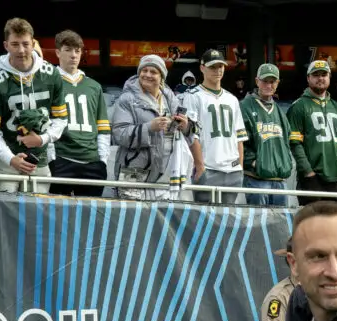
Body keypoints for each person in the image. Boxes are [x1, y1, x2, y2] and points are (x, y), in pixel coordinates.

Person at [0, 17, 67, 194]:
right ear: (6, 46)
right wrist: (11, 158)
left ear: (34, 43)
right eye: (15, 44)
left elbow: (61, 119)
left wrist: (42, 139)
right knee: (2, 214)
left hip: (38, 157)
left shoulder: (51, 76)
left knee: (37, 216)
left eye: (26, 44)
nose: (21, 50)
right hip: (3, 160)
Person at [111, 54, 191, 201]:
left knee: (161, 223)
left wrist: (185, 125)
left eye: (153, 72)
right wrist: (149, 127)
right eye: (144, 70)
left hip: (164, 176)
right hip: (133, 174)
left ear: (162, 77)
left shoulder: (169, 97)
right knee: (132, 221)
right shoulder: (126, 99)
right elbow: (119, 134)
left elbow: (190, 129)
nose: (147, 75)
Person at [47, 29, 109, 198]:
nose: (73, 55)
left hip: (92, 162)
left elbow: (102, 126)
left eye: (77, 50)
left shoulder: (94, 86)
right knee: (58, 217)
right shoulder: (49, 83)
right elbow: (44, 123)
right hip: (62, 159)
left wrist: (102, 161)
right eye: (68, 50)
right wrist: (52, 159)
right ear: (58, 52)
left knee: (91, 218)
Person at [181, 49, 247, 204]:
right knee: (204, 222)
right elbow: (191, 134)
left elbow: (239, 136)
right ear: (202, 67)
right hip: (208, 168)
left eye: (220, 66)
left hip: (232, 170)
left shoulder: (232, 99)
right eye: (212, 67)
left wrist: (240, 167)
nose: (217, 71)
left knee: (229, 222)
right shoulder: (193, 96)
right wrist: (200, 166)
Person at [287, 60, 337, 204]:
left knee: (332, 223)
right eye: (316, 75)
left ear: (329, 77)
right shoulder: (299, 106)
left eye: (324, 74)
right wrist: (308, 172)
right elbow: (295, 143)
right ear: (308, 78)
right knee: (312, 223)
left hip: (335, 177)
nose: (320, 78)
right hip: (311, 178)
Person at [240, 63, 292, 206]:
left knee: (280, 226)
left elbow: (287, 142)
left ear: (278, 83)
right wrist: (252, 162)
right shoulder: (245, 106)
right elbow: (238, 141)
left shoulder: (280, 111)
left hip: (280, 180)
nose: (269, 85)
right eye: (265, 81)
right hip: (256, 179)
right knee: (258, 224)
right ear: (257, 81)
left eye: (272, 81)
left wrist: (285, 162)